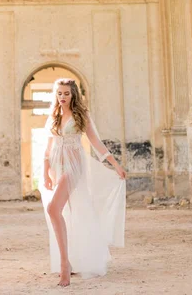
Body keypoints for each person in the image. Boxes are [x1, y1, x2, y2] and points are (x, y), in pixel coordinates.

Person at [39, 78, 127, 287]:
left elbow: (96, 143)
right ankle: (71, 259)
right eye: (59, 93)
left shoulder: (81, 115)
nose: (62, 97)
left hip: (73, 167)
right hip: (56, 166)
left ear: (73, 95)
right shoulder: (53, 115)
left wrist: (115, 165)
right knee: (65, 213)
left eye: (66, 93)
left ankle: (64, 265)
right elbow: (48, 148)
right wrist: (45, 173)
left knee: (53, 209)